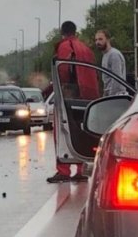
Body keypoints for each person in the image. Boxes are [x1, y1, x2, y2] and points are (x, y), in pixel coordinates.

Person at [47, 21, 99, 183]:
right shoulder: (86, 49)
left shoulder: (64, 46)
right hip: (87, 96)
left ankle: (63, 169)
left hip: (69, 95)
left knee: (62, 131)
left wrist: (60, 88)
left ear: (62, 32)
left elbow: (63, 70)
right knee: (82, 131)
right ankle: (81, 169)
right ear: (75, 31)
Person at [94, 29, 127, 96]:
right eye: (96, 40)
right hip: (110, 96)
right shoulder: (105, 55)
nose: (97, 42)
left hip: (117, 96)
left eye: (100, 39)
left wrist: (110, 97)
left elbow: (117, 79)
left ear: (108, 40)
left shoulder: (114, 55)